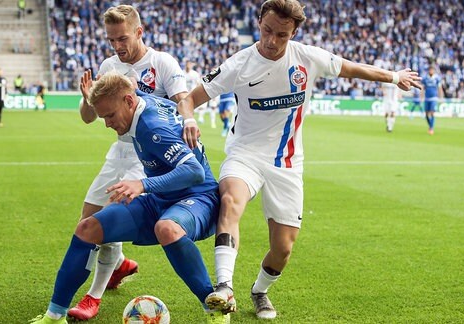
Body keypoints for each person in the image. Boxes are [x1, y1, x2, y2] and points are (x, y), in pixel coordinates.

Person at [177, 0, 422, 319]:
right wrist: (189, 120)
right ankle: (224, 287)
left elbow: (351, 68)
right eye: (267, 31)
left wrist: (393, 77)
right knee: (230, 200)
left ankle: (260, 291)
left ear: (293, 33)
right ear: (259, 21)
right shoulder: (238, 63)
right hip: (245, 154)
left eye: (282, 35)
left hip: (287, 163)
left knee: (283, 249)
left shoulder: (308, 57)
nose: (272, 40)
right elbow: (190, 100)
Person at [29, 72, 228, 324]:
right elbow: (131, 88)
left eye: (110, 115)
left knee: (166, 228)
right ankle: (55, 316)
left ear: (129, 102)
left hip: (198, 199)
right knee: (88, 227)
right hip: (161, 198)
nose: (107, 123)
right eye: (103, 117)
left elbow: (194, 172)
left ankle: (215, 309)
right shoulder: (136, 100)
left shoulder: (152, 127)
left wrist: (142, 184)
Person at [69, 4, 189, 321]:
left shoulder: (161, 62)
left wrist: (188, 121)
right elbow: (87, 118)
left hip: (147, 154)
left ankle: (92, 297)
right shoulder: (110, 65)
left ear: (139, 32)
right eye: (111, 41)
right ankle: (119, 262)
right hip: (118, 152)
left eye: (122, 38)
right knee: (88, 217)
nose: (117, 47)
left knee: (108, 219)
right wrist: (86, 99)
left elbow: (183, 98)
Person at [422, 66, 443, 135]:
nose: (431, 71)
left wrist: (441, 97)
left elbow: (440, 88)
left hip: (434, 98)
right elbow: (422, 88)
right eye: (430, 70)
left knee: (432, 112)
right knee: (426, 114)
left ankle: (431, 128)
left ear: (434, 71)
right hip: (427, 98)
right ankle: (430, 125)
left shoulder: (437, 78)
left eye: (432, 70)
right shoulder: (425, 78)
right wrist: (421, 97)